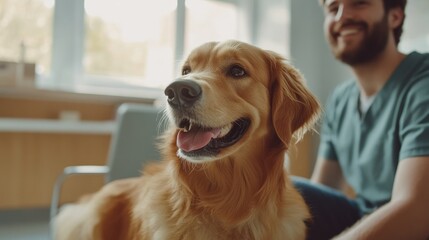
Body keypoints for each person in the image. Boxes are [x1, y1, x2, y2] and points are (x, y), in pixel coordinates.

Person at [293, 0, 429, 239]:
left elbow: (418, 208)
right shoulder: (340, 100)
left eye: (359, 3)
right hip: (362, 217)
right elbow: (319, 194)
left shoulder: (422, 83)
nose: (342, 16)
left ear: (394, 17)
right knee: (292, 193)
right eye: (333, 9)